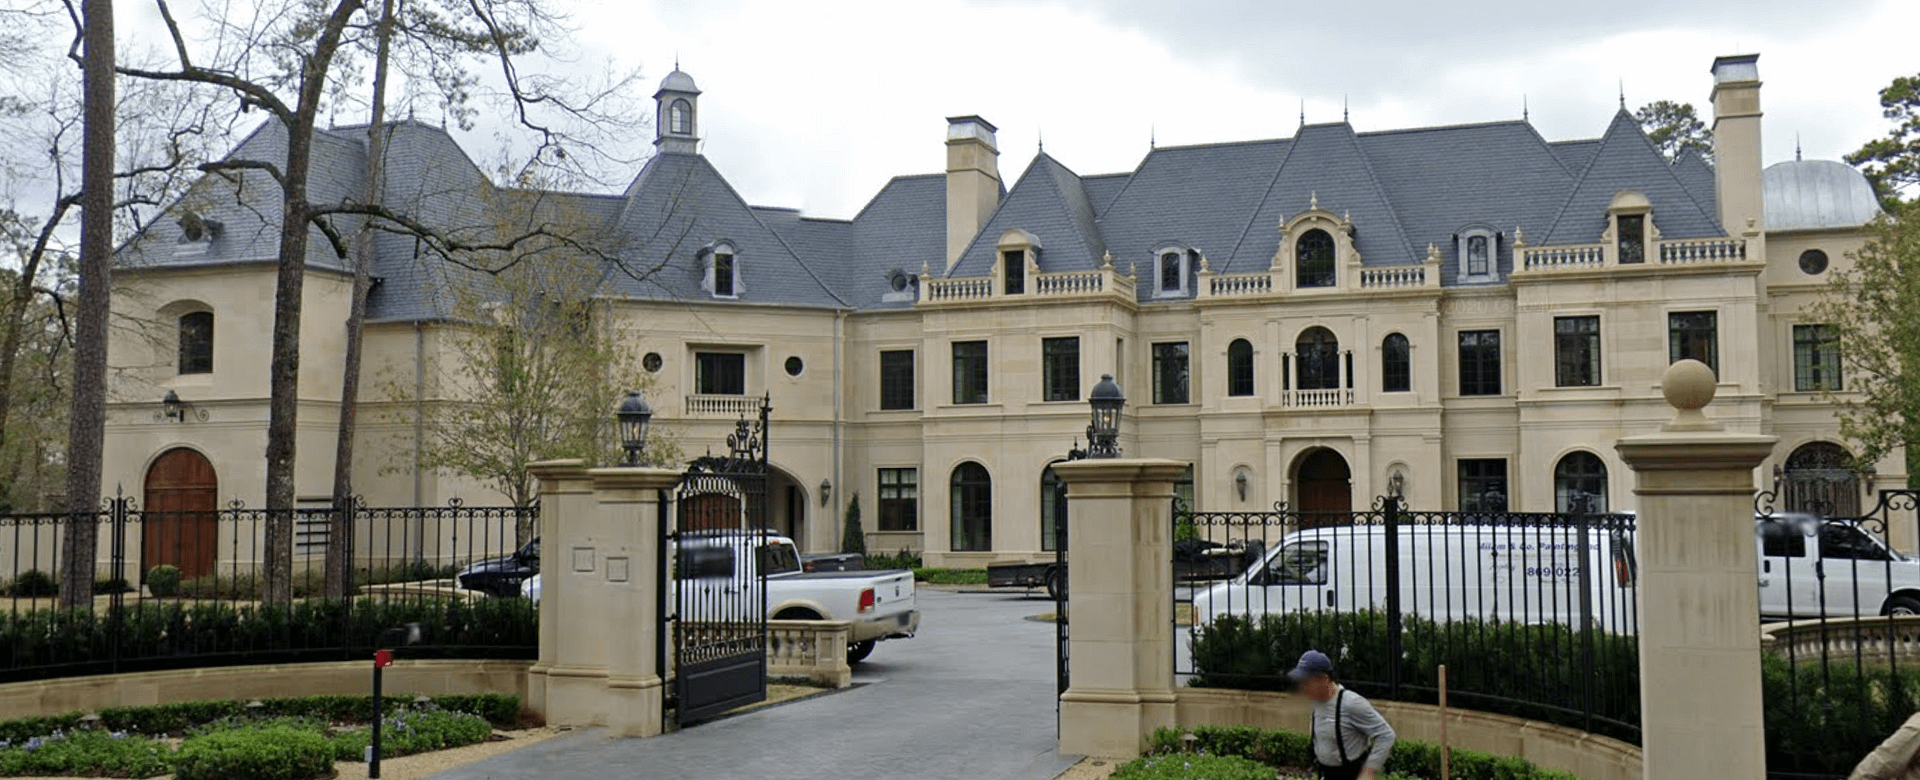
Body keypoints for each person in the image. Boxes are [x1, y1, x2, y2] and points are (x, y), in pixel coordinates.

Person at [1290, 649, 1396, 780]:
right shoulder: (1316, 701)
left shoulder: (1351, 703)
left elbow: (1386, 735)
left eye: (1306, 682)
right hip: (1326, 773)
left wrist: (1370, 770)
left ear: (1324, 679)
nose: (1302, 687)